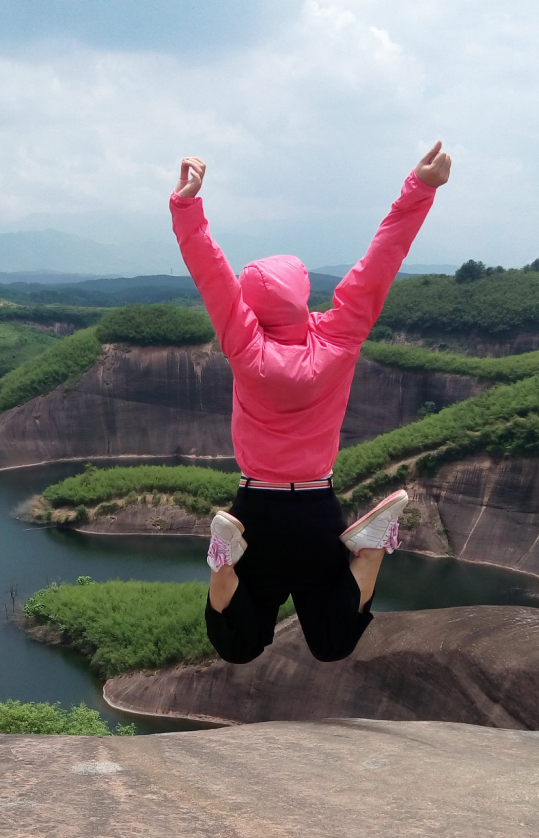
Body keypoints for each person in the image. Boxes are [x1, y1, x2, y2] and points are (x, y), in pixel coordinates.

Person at [170, 143, 451, 664]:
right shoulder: (341, 336)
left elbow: (209, 272)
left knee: (236, 644)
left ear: (250, 307)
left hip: (256, 511)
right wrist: (421, 188)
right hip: (319, 510)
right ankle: (368, 552)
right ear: (304, 293)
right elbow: (380, 261)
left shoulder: (245, 345)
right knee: (333, 640)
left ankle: (223, 565)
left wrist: (187, 205)